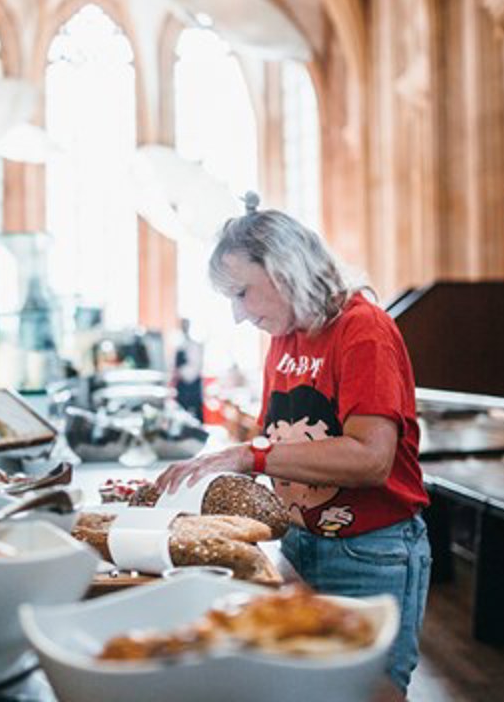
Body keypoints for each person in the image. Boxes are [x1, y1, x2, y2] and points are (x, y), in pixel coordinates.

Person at [155, 192, 431, 699]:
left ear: (284, 270)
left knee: (368, 692)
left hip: (368, 550)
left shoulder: (362, 330)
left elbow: (371, 459)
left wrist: (250, 455)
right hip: (300, 541)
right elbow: (277, 443)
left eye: (242, 293)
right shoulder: (285, 336)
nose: (238, 315)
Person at [172, 318, 204, 421]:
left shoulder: (194, 345)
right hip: (181, 388)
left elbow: (194, 369)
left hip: (191, 388)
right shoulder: (181, 345)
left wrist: (180, 373)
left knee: (194, 415)